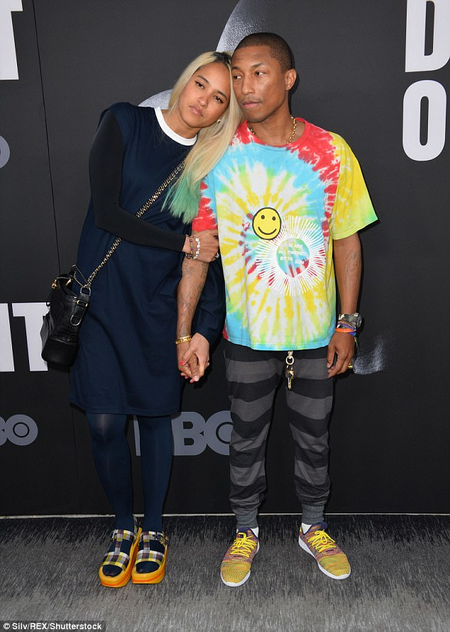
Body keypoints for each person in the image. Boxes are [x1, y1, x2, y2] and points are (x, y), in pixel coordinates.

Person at [177, 33, 378, 586]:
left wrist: (347, 323)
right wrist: (185, 332)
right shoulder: (217, 154)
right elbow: (199, 250)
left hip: (315, 335)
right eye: (237, 76)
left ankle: (313, 525)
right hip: (245, 335)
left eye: (259, 73)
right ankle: (245, 530)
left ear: (288, 79)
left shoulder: (331, 151)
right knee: (245, 440)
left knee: (315, 438)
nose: (246, 87)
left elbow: (348, 240)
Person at [69, 51, 241, 588]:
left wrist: (202, 330)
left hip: (156, 308)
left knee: (152, 419)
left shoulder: (210, 166)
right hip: (101, 303)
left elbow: (210, 261)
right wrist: (181, 242)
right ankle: (123, 527)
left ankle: (155, 530)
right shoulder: (124, 120)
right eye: (201, 84)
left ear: (224, 114)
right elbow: (106, 212)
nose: (204, 101)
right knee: (102, 424)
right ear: (185, 78)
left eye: (219, 99)